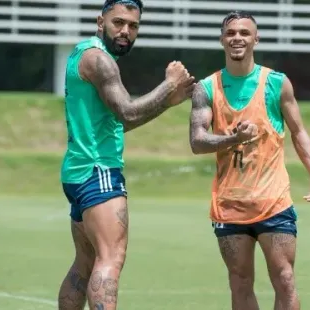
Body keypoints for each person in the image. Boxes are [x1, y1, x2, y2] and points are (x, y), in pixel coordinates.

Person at [57, 0, 195, 309]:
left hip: (79, 172)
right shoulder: (101, 61)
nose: (125, 31)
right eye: (118, 23)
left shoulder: (81, 53)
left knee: (84, 263)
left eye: (133, 26)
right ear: (100, 21)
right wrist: (169, 84)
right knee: (111, 259)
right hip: (99, 172)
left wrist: (166, 102)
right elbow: (128, 114)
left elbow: (116, 124)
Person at [189, 10, 310, 310]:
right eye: (231, 33)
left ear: (256, 38)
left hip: (273, 202)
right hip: (230, 205)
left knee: (285, 279)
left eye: (244, 32)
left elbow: (298, 131)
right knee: (239, 283)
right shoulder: (206, 87)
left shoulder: (277, 83)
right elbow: (197, 142)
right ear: (221, 40)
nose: (237, 38)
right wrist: (233, 139)